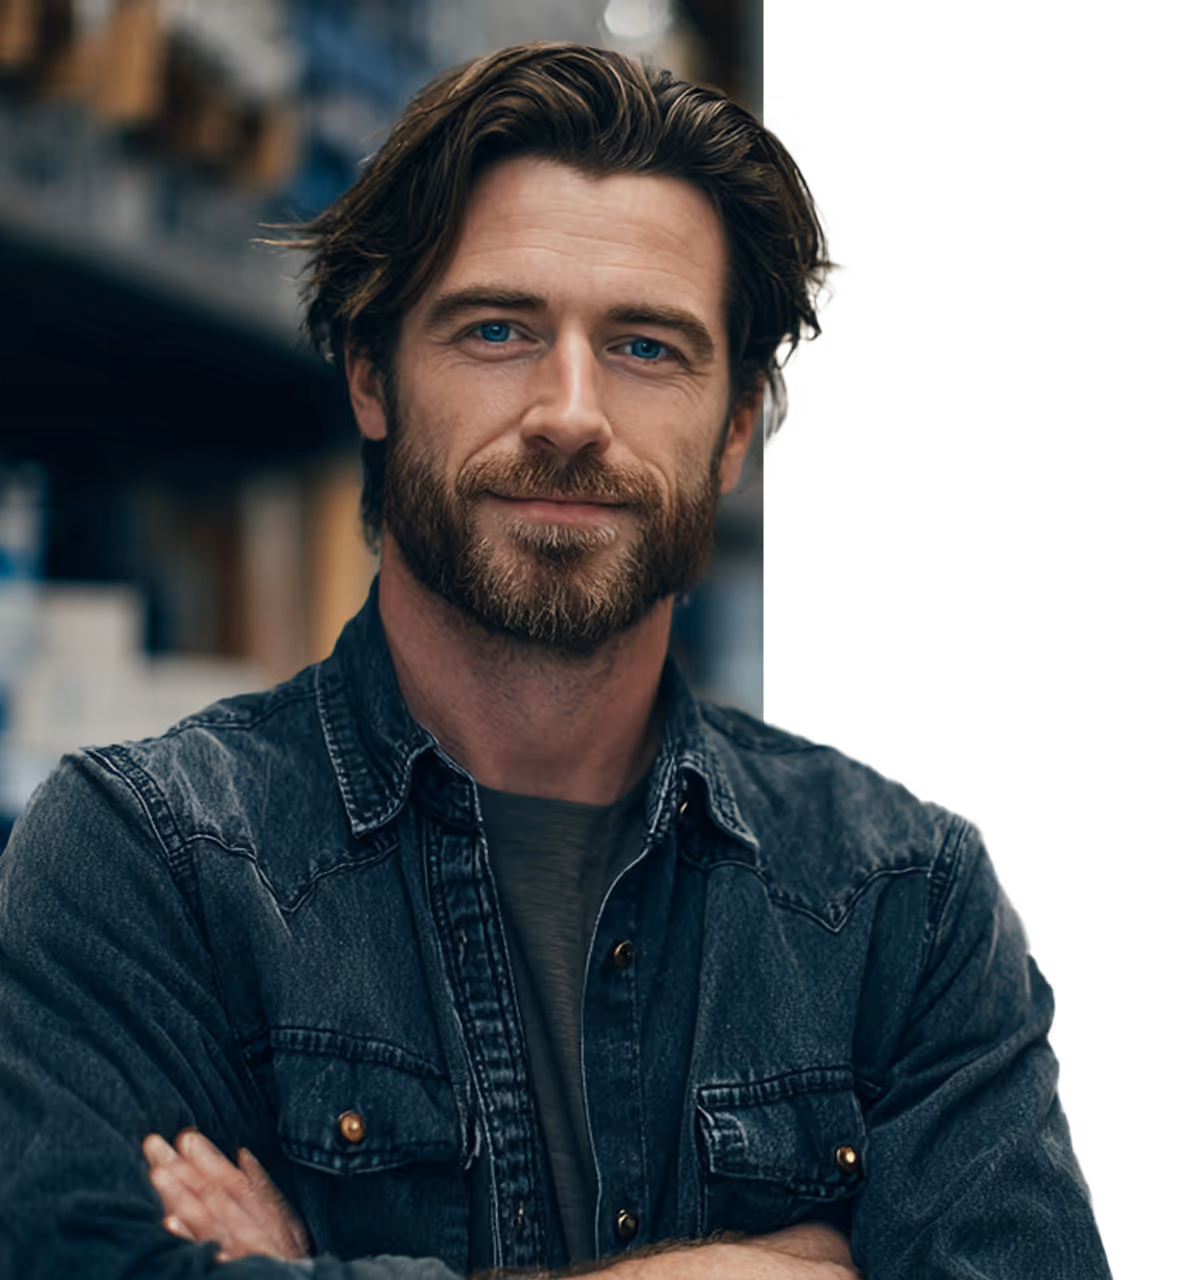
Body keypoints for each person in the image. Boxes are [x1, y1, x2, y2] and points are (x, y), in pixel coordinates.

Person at [0, 41, 1110, 1280]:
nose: (571, 411)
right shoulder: (148, 862)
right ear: (372, 377)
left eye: (647, 346)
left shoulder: (908, 897)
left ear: (736, 425)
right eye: (495, 328)